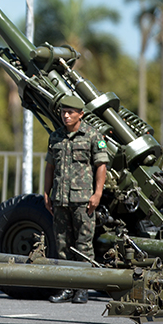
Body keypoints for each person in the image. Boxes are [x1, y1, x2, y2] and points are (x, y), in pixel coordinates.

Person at [43, 95, 108, 304]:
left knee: (84, 245)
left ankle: (82, 288)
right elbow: (50, 167)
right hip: (60, 199)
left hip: (83, 201)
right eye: (63, 112)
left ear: (81, 114)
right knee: (62, 245)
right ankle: (67, 288)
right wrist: (46, 192)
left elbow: (101, 166)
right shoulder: (56, 137)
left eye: (71, 112)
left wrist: (97, 194)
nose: (66, 115)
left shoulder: (92, 135)